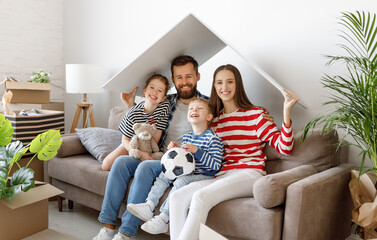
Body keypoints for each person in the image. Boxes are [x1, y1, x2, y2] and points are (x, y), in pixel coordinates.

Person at [169, 64, 299, 240]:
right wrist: (177, 149)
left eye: (230, 82)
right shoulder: (213, 121)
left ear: (238, 85)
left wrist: (286, 112)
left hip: (249, 173)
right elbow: (197, 144)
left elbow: (285, 147)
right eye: (219, 82)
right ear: (214, 86)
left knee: (200, 197)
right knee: (177, 197)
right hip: (221, 175)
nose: (224, 87)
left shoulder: (257, 115)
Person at [93, 55, 210, 240]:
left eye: (189, 76)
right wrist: (131, 105)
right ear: (173, 80)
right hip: (161, 155)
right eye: (179, 77)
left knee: (144, 166)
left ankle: (126, 233)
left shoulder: (207, 105)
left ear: (198, 76)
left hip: (184, 161)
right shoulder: (166, 102)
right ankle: (107, 227)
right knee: (121, 163)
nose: (184, 82)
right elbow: (144, 120)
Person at [126, 98, 223, 235]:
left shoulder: (213, 138)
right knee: (165, 173)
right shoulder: (188, 137)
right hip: (189, 172)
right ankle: (149, 205)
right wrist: (175, 151)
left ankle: (164, 218)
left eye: (199, 108)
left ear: (209, 117)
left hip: (204, 176)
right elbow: (183, 160)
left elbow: (215, 166)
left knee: (180, 181)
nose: (194, 110)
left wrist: (197, 151)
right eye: (191, 109)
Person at [101, 74, 171, 171]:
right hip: (132, 143)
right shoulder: (133, 113)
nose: (155, 92)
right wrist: (138, 153)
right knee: (106, 165)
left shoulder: (164, 107)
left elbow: (156, 136)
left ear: (163, 97)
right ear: (145, 90)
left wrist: (146, 151)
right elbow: (125, 140)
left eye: (160, 90)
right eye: (152, 87)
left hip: (149, 144)